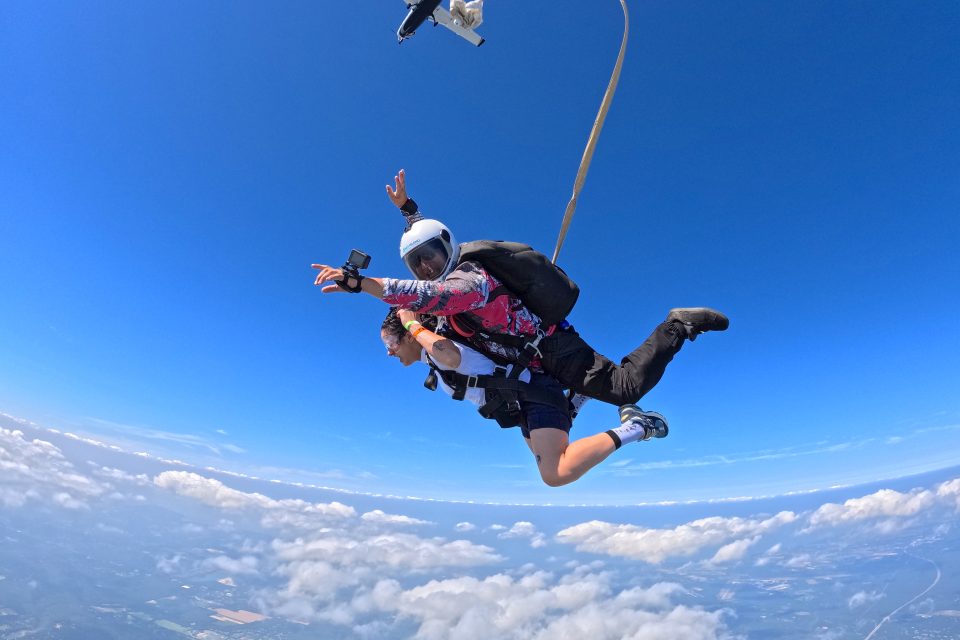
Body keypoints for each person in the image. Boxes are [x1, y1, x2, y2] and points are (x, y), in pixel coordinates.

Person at [312, 169, 729, 412]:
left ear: (450, 250)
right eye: (417, 263)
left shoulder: (468, 283)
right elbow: (428, 245)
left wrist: (361, 283)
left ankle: (676, 326)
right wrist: (409, 211)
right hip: (534, 355)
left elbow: (427, 295)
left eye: (432, 259)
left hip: (551, 349)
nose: (426, 269)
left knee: (624, 389)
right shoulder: (448, 268)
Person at [379, 306, 668, 487]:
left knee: (556, 472)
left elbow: (452, 356)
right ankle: (575, 400)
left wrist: (412, 325)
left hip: (534, 394)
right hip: (521, 405)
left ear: (406, 336)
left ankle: (639, 426)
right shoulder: (433, 359)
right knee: (541, 453)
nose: (389, 351)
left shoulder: (436, 349)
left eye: (390, 343)